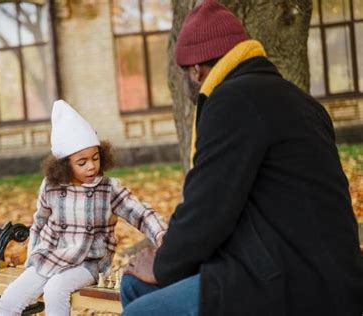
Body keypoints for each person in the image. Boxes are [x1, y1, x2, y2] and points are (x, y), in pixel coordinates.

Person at [121, 1, 363, 315]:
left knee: (141, 312)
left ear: (196, 71)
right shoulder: (293, 99)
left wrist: (163, 264)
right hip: (302, 265)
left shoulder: (233, 101)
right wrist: (168, 260)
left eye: (184, 76)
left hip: (293, 280)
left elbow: (208, 207)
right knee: (133, 286)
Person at [0, 100, 167, 316]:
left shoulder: (108, 189)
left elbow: (141, 214)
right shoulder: (50, 186)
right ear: (64, 164)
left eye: (95, 158)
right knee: (9, 301)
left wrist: (162, 235)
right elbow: (38, 224)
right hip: (48, 256)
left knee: (55, 290)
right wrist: (32, 258)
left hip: (87, 263)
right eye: (82, 162)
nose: (91, 166)